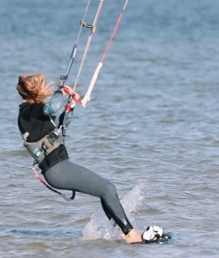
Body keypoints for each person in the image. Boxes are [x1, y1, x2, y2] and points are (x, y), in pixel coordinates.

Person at [16, 73, 157, 244]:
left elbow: (60, 128)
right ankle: (131, 234)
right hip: (57, 169)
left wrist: (71, 106)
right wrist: (61, 91)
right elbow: (52, 108)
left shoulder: (31, 114)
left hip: (59, 167)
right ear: (34, 91)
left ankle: (120, 232)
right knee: (107, 189)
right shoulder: (29, 111)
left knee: (107, 189)